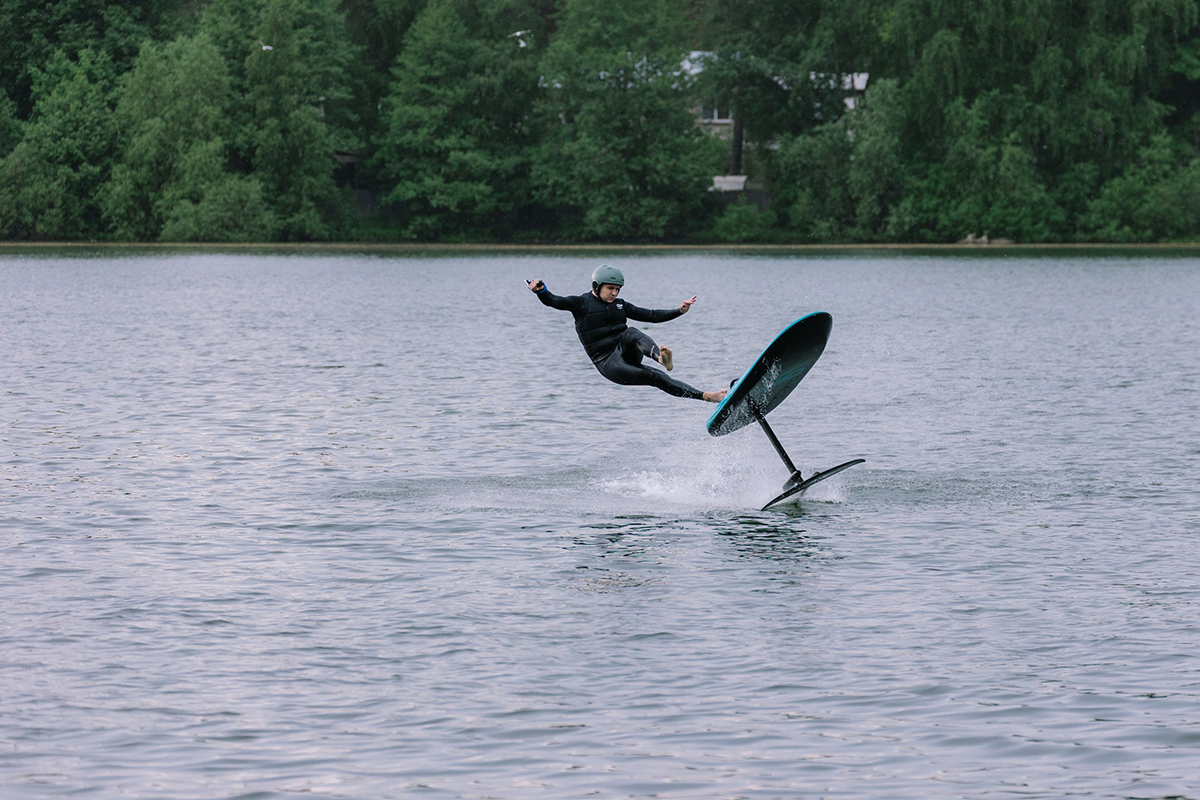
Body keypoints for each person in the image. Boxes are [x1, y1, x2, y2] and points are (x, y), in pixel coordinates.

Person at [528, 265, 727, 403]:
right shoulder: (580, 304)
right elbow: (554, 300)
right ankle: (706, 396)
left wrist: (679, 310)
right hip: (608, 363)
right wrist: (541, 291)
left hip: (626, 352)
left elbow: (651, 315)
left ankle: (660, 357)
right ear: (597, 286)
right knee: (654, 376)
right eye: (610, 289)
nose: (614, 293)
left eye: (617, 289)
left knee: (631, 332)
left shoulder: (620, 305)